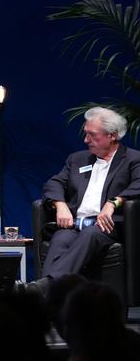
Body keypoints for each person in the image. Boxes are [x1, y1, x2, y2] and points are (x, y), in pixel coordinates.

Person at [33, 106, 140, 295]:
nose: (85, 140)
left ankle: (44, 289)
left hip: (107, 226)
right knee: (60, 238)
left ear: (112, 135)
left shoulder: (133, 159)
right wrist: (60, 205)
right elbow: (54, 184)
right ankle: (49, 297)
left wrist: (114, 202)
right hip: (75, 224)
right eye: (85, 134)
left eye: (92, 135)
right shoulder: (78, 159)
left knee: (90, 234)